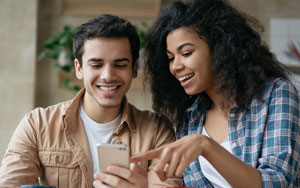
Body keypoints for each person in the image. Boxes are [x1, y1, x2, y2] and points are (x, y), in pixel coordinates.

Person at [131, 0, 300, 187]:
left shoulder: (275, 95)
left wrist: (206, 146)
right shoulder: (190, 119)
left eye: (186, 53)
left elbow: (280, 182)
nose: (176, 66)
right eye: (171, 58)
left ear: (220, 48)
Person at [0, 14, 181, 188]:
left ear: (134, 69)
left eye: (120, 65)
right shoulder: (38, 124)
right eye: (96, 65)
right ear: (79, 68)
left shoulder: (157, 131)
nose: (108, 76)